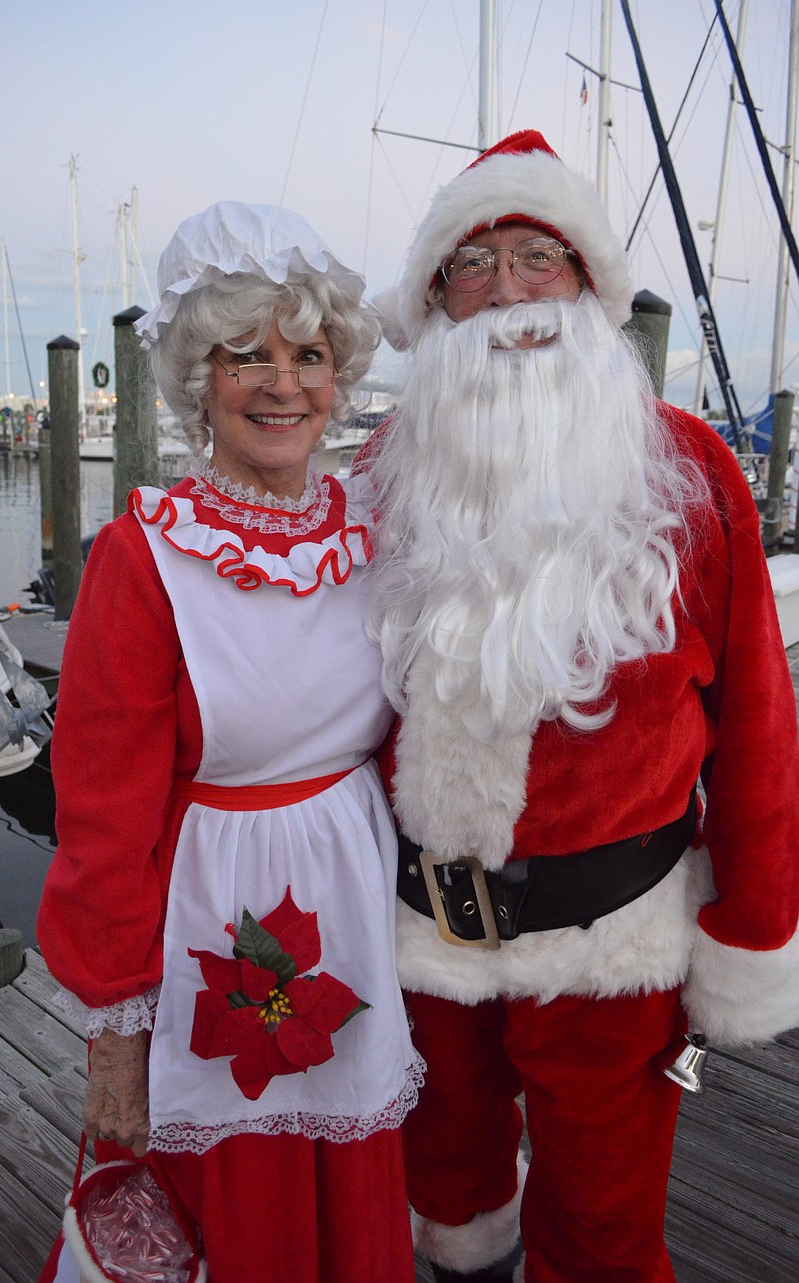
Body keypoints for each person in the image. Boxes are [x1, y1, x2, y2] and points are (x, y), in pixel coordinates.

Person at [362, 130, 799, 1283]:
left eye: (537, 255)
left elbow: (757, 727)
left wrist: (748, 931)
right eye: (472, 264)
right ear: (435, 303)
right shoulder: (380, 477)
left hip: (613, 944)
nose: (507, 293)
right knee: (442, 1196)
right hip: (421, 939)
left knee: (601, 1227)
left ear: (590, 283)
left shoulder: (689, 468)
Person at [36, 201, 423, 1283]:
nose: (282, 382)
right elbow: (101, 818)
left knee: (351, 1194)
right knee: (233, 1205)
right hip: (212, 921)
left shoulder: (371, 527)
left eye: (308, 353)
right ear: (197, 378)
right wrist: (117, 1028)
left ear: (341, 372)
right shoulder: (142, 557)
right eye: (244, 355)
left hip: (352, 904)